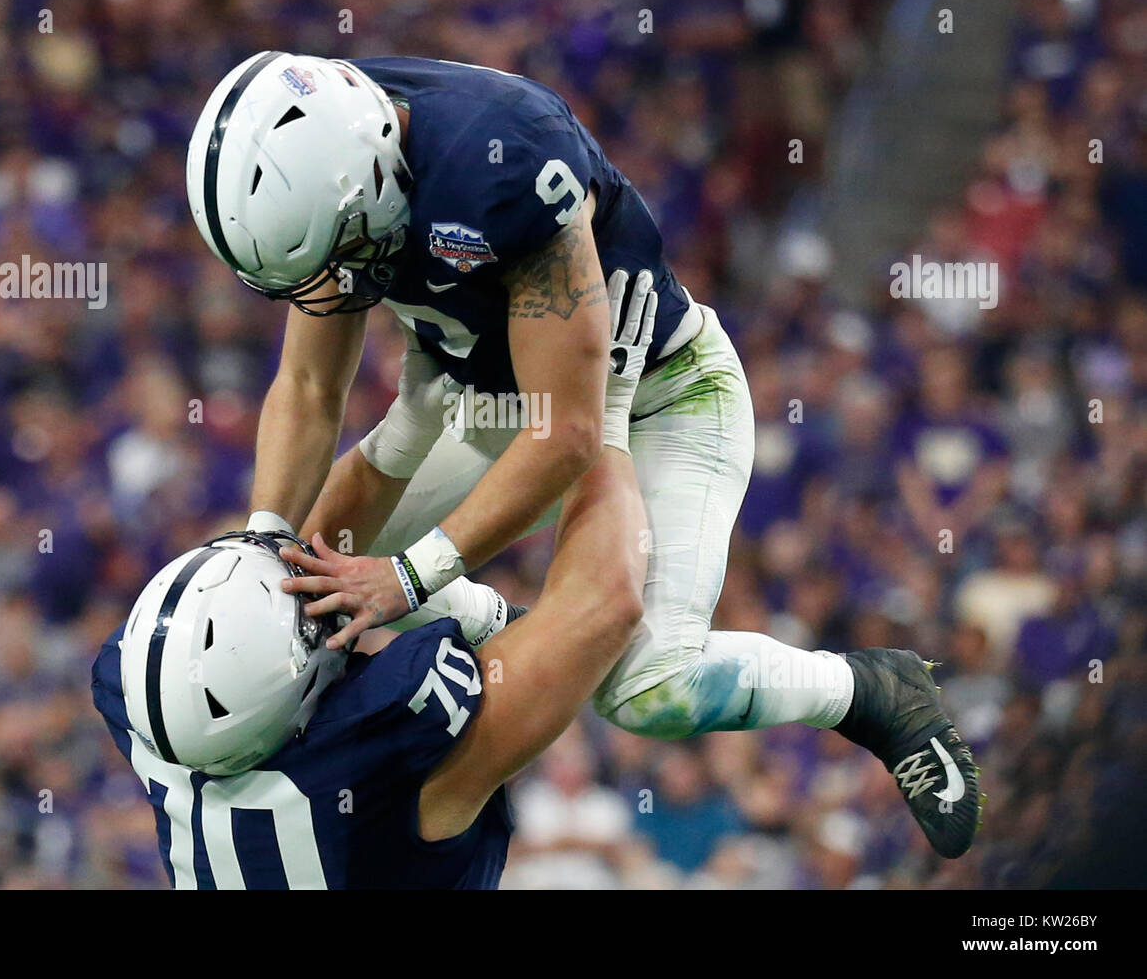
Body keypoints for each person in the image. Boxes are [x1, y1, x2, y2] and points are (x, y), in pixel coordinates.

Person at [185, 53, 979, 858]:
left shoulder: (501, 160)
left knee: (649, 689)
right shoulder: (331, 158)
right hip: (498, 406)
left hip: (652, 394)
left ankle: (868, 691)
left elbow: (566, 434)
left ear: (373, 172)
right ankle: (507, 624)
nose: (335, 287)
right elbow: (310, 383)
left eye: (344, 250)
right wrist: (264, 532)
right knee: (300, 582)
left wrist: (411, 579)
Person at [88, 274, 654, 888]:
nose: (303, 586)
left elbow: (316, 557)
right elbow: (604, 607)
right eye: (309, 623)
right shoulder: (374, 782)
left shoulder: (166, 713)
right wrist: (605, 410)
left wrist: (409, 425)